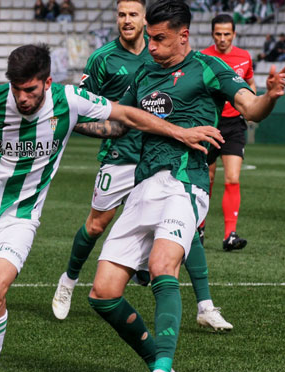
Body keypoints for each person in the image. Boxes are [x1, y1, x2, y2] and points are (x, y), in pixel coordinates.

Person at [0, 43, 223, 372]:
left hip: (20, 220)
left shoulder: (68, 100)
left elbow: (126, 114)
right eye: (16, 89)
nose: (22, 98)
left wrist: (180, 132)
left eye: (29, 90)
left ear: (47, 83)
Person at [87, 1, 285, 372]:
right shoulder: (145, 70)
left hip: (185, 184)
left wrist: (270, 97)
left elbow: (250, 108)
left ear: (183, 36)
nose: (151, 47)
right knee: (103, 293)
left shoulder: (209, 68)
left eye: (159, 39)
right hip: (142, 185)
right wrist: (69, 122)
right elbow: (119, 123)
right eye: (149, 38)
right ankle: (163, 368)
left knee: (164, 266)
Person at [51, 0, 233, 333]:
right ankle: (68, 280)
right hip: (121, 155)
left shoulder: (164, 53)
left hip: (165, 160)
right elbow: (84, 107)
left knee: (183, 227)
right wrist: (68, 121)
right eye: (121, 14)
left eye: (133, 14)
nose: (126, 20)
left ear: (146, 20)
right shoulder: (102, 58)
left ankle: (205, 305)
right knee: (96, 225)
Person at [200, 13, 257, 251]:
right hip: (209, 124)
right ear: (212, 34)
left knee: (233, 178)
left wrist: (252, 101)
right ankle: (198, 228)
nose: (222, 38)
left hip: (234, 125)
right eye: (218, 34)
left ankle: (230, 235)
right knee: (207, 179)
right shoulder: (202, 57)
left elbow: (250, 82)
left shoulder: (244, 57)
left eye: (227, 34)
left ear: (234, 34)